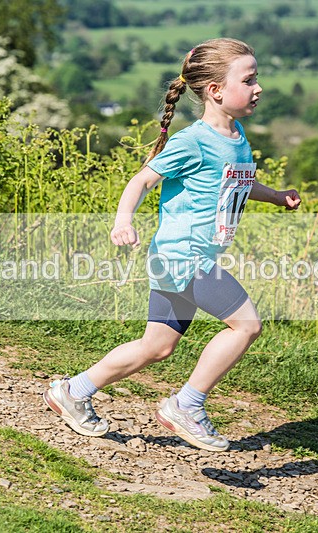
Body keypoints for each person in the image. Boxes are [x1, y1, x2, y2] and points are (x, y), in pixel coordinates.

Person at [44, 38, 300, 452]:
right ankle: (186, 405)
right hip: (185, 257)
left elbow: (239, 182)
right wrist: (122, 220)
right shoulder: (193, 141)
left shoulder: (235, 135)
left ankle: (72, 391)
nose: (258, 88)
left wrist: (275, 196)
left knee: (156, 346)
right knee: (247, 324)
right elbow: (143, 179)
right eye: (249, 79)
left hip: (179, 258)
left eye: (257, 78)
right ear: (215, 90)